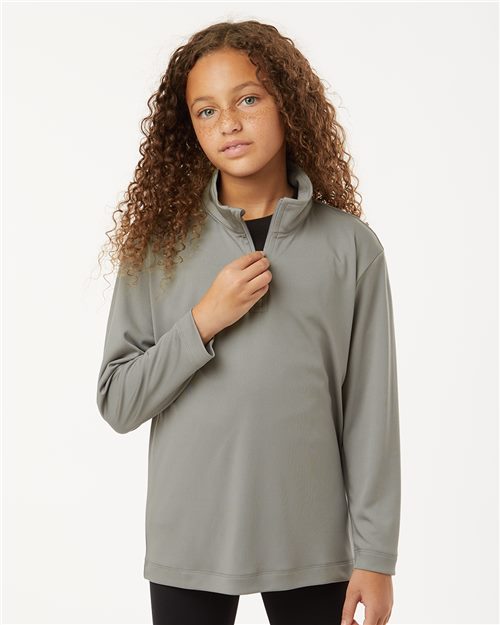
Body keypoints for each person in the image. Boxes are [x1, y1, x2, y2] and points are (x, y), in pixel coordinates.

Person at [96, 19, 401, 625]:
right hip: (189, 544)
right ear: (190, 128)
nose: (228, 124)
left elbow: (371, 414)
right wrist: (203, 320)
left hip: (312, 548)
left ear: (287, 103)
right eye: (206, 111)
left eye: (248, 100)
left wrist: (376, 556)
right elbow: (118, 402)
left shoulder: (351, 247)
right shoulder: (158, 247)